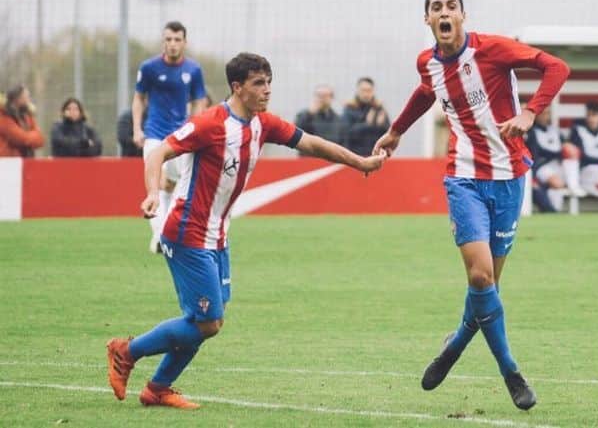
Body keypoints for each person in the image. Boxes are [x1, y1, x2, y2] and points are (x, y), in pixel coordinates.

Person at [106, 52, 387, 410]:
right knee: (209, 322)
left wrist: (359, 162)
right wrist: (151, 194)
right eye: (258, 83)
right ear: (237, 87)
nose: (267, 90)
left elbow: (312, 143)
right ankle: (125, 351)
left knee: (203, 318)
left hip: (218, 236)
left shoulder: (263, 123)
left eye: (269, 82)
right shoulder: (210, 123)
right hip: (187, 233)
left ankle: (158, 388)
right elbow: (157, 153)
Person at [372, 0, 569, 410]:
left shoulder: (494, 50)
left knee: (488, 286)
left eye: (451, 6)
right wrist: (396, 131)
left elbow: (555, 67)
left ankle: (457, 341)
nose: (444, 13)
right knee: (481, 278)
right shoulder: (428, 63)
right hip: (463, 178)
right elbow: (427, 91)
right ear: (428, 20)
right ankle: (511, 373)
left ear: (462, 15)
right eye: (436, 8)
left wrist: (531, 111)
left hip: (510, 178)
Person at [132, 21, 208, 253]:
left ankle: (164, 234)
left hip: (180, 137)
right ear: (163, 41)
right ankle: (160, 236)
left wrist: (196, 129)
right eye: (168, 39)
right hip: (154, 134)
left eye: (177, 40)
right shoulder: (149, 68)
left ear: (184, 42)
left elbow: (199, 101)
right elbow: (138, 98)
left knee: (171, 185)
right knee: (154, 183)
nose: (172, 44)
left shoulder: (193, 70)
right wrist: (137, 128)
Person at [525, 106, 584, 212]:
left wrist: (565, 150)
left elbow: (564, 146)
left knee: (570, 152)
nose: (546, 116)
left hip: (557, 164)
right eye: (543, 113)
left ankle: (571, 190)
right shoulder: (532, 132)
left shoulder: (555, 130)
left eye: (548, 113)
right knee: (556, 182)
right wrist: (560, 152)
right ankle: (570, 188)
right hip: (542, 166)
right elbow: (537, 154)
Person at [342, 77, 390, 155]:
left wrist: (381, 125)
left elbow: (388, 134)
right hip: (354, 155)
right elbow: (345, 133)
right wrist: (367, 124)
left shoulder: (378, 108)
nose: (366, 94)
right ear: (358, 91)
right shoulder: (349, 108)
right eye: (363, 90)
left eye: (369, 90)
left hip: (375, 154)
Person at [0, 85, 44, 157]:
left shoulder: (27, 115)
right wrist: (32, 136)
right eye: (27, 96)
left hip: (26, 161)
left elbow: (41, 139)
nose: (29, 99)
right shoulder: (4, 116)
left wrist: (29, 137)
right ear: (17, 98)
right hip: (8, 163)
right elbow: (21, 138)